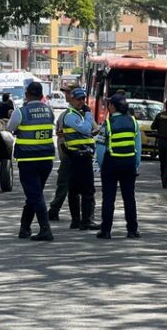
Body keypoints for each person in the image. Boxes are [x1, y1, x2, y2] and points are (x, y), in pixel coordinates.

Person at [7, 82, 55, 241]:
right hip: (47, 159)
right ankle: (24, 227)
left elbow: (9, 128)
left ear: (27, 94)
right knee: (35, 194)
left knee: (35, 195)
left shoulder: (20, 112)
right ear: (41, 95)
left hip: (28, 160)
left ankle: (45, 229)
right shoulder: (49, 110)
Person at [95, 93, 142, 239]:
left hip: (112, 163)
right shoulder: (133, 122)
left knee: (109, 198)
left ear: (112, 107)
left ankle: (106, 230)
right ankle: (132, 230)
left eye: (108, 104)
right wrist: (136, 164)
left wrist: (102, 165)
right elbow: (138, 146)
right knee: (129, 197)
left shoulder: (107, 124)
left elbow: (101, 148)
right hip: (129, 163)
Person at [63, 87, 100, 230]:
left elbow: (89, 130)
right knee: (86, 189)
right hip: (78, 157)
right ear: (72, 99)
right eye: (78, 99)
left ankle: (79, 220)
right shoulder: (71, 115)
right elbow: (85, 129)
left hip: (82, 156)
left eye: (83, 99)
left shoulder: (79, 114)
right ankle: (85, 221)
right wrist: (89, 114)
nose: (81, 102)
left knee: (77, 189)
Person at [48, 82, 79, 221]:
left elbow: (92, 129)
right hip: (66, 155)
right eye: (65, 92)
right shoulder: (65, 114)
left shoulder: (81, 113)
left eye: (68, 92)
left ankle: (83, 217)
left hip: (76, 155)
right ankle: (56, 211)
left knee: (76, 187)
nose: (66, 95)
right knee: (64, 185)